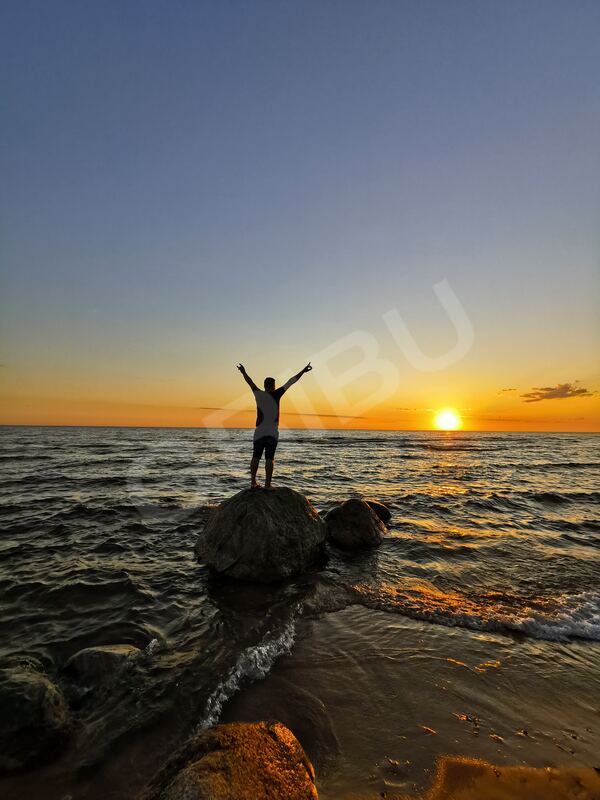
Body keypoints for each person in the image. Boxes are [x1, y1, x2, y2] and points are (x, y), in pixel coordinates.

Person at [236, 362, 312, 489]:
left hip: (259, 430)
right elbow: (291, 381)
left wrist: (243, 372)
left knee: (256, 456)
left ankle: (253, 482)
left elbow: (249, 382)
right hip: (272, 431)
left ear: (265, 386)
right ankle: (267, 485)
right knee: (269, 458)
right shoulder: (277, 394)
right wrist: (303, 371)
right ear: (273, 386)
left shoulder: (258, 394)